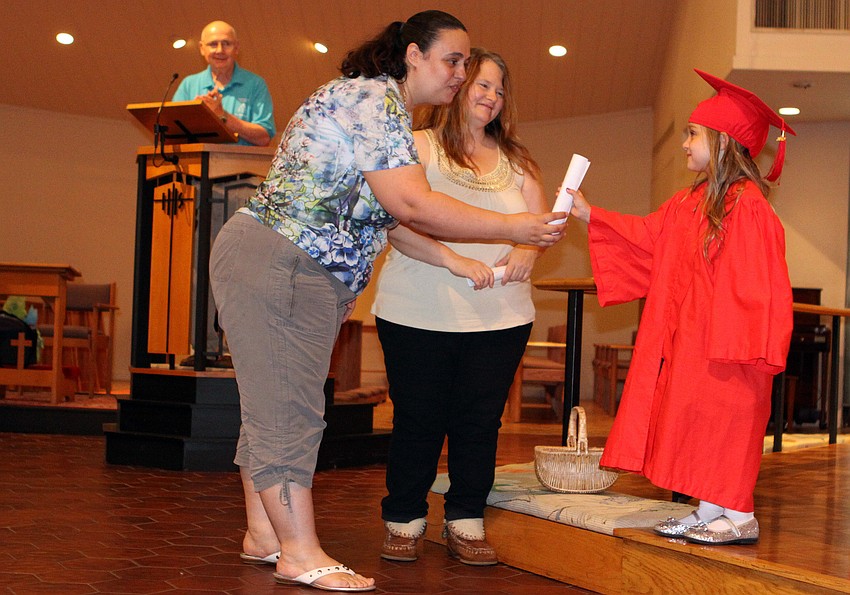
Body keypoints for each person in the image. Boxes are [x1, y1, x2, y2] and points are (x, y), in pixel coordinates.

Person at [209, 12, 565, 593]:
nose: (460, 73)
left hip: (287, 265)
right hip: (282, 260)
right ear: (413, 56)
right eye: (452, 60)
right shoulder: (374, 99)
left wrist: (454, 258)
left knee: (270, 402)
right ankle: (299, 552)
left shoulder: (383, 110)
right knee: (290, 410)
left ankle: (264, 535)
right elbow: (413, 206)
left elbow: (388, 219)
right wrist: (516, 225)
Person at [567, 69, 794, 546]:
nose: (685, 144)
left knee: (727, 428)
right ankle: (709, 509)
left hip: (732, 346)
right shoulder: (691, 202)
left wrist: (740, 344)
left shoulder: (748, 205)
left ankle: (740, 515)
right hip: (695, 343)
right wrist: (589, 214)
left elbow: (760, 285)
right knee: (694, 426)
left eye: (693, 134)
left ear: (724, 142)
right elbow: (648, 240)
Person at [371, 48, 545, 566]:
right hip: (416, 312)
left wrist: (526, 251)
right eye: (481, 84)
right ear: (457, 85)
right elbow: (396, 221)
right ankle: (403, 519)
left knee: (478, 422)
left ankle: (466, 520)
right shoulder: (416, 146)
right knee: (418, 420)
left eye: (499, 89)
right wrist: (451, 259)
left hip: (501, 317)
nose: (490, 97)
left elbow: (540, 226)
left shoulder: (518, 162)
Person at [173, 20, 275, 146]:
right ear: (202, 48)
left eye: (226, 44)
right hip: (199, 163)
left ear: (236, 48)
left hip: (242, 164)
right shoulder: (188, 85)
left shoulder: (255, 84)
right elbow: (172, 134)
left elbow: (264, 138)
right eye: (213, 44)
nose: (220, 50)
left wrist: (223, 115)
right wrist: (197, 114)